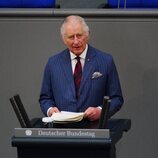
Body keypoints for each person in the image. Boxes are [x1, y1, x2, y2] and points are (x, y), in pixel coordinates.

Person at [39, 15, 123, 121]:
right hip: (62, 130)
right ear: (63, 39)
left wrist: (101, 111)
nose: (76, 41)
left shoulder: (106, 61)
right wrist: (50, 110)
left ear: (87, 35)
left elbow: (116, 98)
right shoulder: (53, 63)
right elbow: (45, 98)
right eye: (71, 37)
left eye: (79, 35)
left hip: (94, 129)